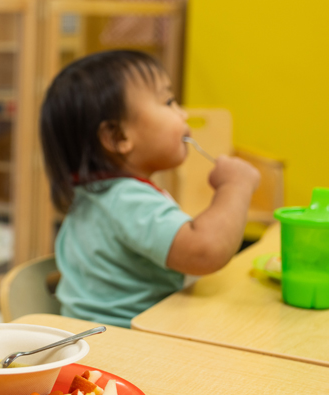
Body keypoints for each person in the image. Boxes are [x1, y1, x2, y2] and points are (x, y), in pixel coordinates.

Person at [40, 50, 259, 328]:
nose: (183, 113)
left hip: (103, 342)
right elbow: (204, 251)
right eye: (168, 101)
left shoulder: (97, 195)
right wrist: (235, 185)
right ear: (118, 137)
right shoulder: (126, 199)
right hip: (125, 347)